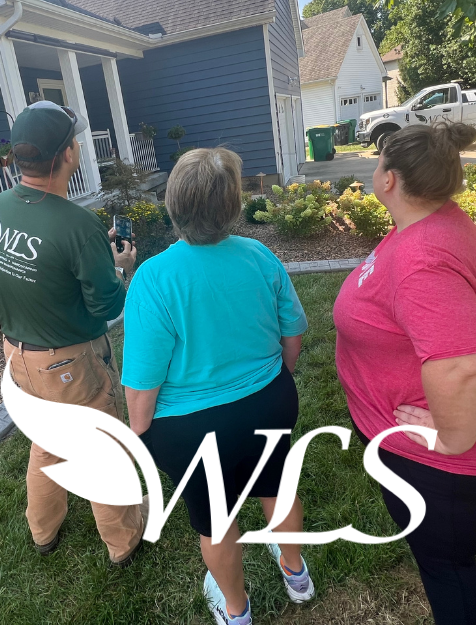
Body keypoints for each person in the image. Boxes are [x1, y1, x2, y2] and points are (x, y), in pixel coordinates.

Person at [334, 122, 476, 625]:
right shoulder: (434, 221)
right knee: (455, 542)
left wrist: (451, 439)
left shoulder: (421, 259)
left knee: (445, 563)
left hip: (456, 459)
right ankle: (463, 535)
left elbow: (461, 364)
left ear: (389, 178)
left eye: (378, 159)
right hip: (460, 448)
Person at [122, 148, 315, 625]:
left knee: (217, 519)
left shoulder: (152, 277)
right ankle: (297, 575)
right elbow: (293, 332)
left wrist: (141, 431)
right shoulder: (259, 255)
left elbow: (143, 383)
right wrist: (281, 376)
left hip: (190, 428)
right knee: (277, 485)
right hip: (270, 402)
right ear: (232, 207)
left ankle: (236, 610)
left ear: (174, 204)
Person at [0, 101, 145, 568]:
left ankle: (43, 532)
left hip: (19, 359)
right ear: (70, 154)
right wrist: (121, 269)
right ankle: (124, 541)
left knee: (48, 442)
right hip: (70, 365)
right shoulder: (77, 226)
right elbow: (108, 306)